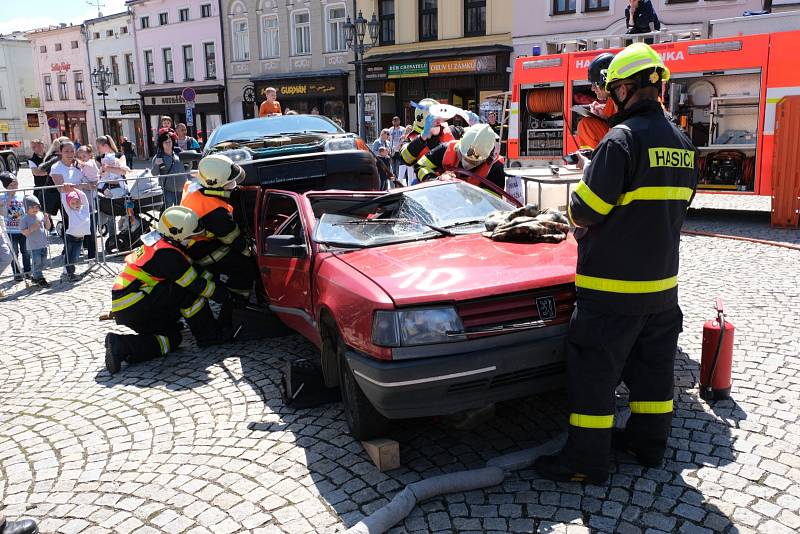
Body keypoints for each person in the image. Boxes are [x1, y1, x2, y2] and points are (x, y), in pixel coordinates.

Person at [534, 43, 698, 485]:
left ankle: (585, 463)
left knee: (594, 377)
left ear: (625, 88)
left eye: (613, 90)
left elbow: (584, 212)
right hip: (662, 292)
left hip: (610, 292)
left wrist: (588, 177)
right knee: (652, 377)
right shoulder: (683, 144)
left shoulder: (620, 140)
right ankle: (648, 446)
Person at [105, 206, 236, 375]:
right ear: (177, 233)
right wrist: (224, 296)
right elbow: (194, 283)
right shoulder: (167, 255)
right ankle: (209, 336)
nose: (192, 240)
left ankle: (121, 346)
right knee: (187, 293)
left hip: (131, 304)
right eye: (190, 237)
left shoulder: (164, 242)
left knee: (172, 339)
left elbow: (195, 269)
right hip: (135, 305)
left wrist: (222, 286)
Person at [180, 154, 255, 324]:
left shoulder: (196, 188)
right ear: (215, 183)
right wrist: (249, 252)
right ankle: (235, 311)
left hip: (195, 244)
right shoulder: (214, 211)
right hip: (200, 248)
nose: (233, 185)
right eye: (230, 182)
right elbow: (232, 238)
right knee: (244, 268)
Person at [415, 123, 506, 191]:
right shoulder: (446, 149)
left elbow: (494, 202)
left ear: (487, 158)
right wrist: (435, 179)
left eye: (473, 162)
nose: (467, 163)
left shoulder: (495, 167)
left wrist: (475, 196)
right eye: (463, 157)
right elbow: (420, 166)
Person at [400, 98, 463, 177]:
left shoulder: (453, 131)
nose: (440, 120)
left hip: (455, 183)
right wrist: (422, 137)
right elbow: (405, 159)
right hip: (427, 183)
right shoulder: (411, 138)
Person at [95, 136, 131, 253]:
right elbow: (100, 175)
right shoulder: (98, 158)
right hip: (107, 190)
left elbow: (123, 171)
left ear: (105, 146)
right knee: (110, 216)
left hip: (121, 189)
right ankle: (112, 241)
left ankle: (126, 238)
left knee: (127, 212)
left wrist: (109, 168)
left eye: (99, 147)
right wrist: (112, 169)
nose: (98, 149)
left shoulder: (119, 155)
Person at [576, 53, 617, 150]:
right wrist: (601, 115)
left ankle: (596, 160)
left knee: (586, 125)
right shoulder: (613, 99)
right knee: (586, 123)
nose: (592, 89)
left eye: (595, 84)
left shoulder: (620, 98)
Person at [0, 172, 30, 281]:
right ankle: (17, 274)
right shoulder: (2, 196)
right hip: (10, 230)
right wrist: (6, 202)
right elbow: (3, 212)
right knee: (14, 253)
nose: (13, 187)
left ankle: (28, 272)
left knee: (26, 251)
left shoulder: (22, 195)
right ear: (5, 186)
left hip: (22, 229)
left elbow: (26, 210)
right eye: (10, 186)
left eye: (15, 184)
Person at [19, 194, 51, 288]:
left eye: (37, 206)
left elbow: (48, 227)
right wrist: (32, 228)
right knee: (37, 262)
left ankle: (35, 276)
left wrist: (47, 220)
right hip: (33, 245)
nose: (35, 209)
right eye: (32, 207)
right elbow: (24, 233)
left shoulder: (40, 214)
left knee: (43, 262)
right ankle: (39, 278)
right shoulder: (24, 219)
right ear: (26, 208)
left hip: (43, 243)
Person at [152, 131, 188, 208]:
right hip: (168, 190)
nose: (168, 144)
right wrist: (156, 164)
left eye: (170, 141)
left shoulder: (178, 153)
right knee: (167, 210)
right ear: (162, 144)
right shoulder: (158, 157)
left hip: (181, 189)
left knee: (180, 210)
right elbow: (154, 173)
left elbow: (187, 167)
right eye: (166, 142)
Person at [77, 145, 101, 259]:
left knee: (91, 226)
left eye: (84, 156)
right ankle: (88, 249)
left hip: (91, 196)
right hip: (86, 196)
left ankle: (92, 255)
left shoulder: (91, 163)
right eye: (80, 156)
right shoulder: (84, 164)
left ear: (90, 155)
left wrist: (76, 161)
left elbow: (84, 165)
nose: (82, 158)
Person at [61, 189, 90, 282]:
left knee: (75, 257)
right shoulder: (70, 211)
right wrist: (64, 190)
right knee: (69, 256)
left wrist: (74, 189)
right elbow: (64, 200)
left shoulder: (85, 209)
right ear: (69, 205)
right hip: (70, 237)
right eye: (72, 203)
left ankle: (68, 271)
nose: (76, 204)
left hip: (80, 239)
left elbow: (84, 197)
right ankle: (70, 274)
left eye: (77, 202)